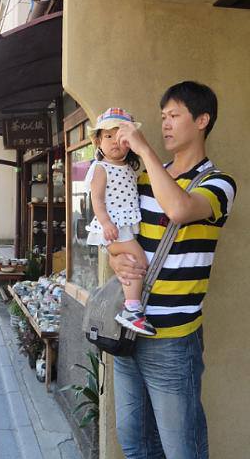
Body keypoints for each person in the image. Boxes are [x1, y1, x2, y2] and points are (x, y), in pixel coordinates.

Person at [109, 81, 237, 458]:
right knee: (135, 444)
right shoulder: (144, 176)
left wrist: (144, 148)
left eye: (174, 115)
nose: (164, 124)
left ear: (202, 120)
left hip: (173, 339)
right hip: (128, 330)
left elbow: (180, 209)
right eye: (163, 116)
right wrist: (118, 258)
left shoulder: (219, 184)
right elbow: (116, 232)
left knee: (182, 450)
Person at [85, 108, 155, 335]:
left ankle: (131, 308)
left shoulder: (129, 168)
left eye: (121, 137)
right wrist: (106, 224)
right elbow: (96, 200)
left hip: (124, 226)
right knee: (139, 261)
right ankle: (131, 309)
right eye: (108, 136)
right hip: (113, 228)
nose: (115, 142)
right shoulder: (100, 168)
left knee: (130, 264)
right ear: (97, 140)